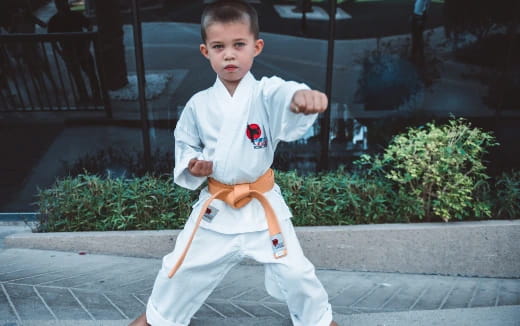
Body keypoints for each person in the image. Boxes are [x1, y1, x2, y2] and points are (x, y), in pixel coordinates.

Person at [130, 1, 338, 325]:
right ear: (205, 51)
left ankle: (319, 321)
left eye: (238, 45)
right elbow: (185, 144)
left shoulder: (264, 93)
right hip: (218, 206)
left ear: (256, 47)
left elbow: (281, 93)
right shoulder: (198, 104)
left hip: (261, 204)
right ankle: (157, 318)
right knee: (179, 266)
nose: (229, 54)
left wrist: (299, 98)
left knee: (297, 271)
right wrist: (193, 163)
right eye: (219, 46)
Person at [47, 0, 100, 103]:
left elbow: (51, 38)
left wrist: (61, 53)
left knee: (83, 76)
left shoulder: (55, 19)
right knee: (87, 75)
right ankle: (93, 97)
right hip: (76, 51)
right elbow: (89, 26)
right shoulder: (72, 15)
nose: (61, 5)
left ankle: (87, 97)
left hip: (75, 51)